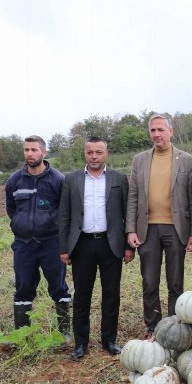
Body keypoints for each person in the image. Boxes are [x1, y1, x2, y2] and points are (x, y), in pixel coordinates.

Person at [59, 137, 133, 361]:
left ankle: (109, 340)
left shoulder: (118, 179)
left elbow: (127, 214)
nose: (94, 157)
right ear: (85, 154)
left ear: (106, 154)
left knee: (111, 295)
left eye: (98, 152)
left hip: (111, 244)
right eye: (90, 152)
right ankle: (81, 343)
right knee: (82, 296)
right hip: (82, 244)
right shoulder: (71, 180)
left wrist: (130, 247)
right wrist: (64, 248)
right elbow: (63, 215)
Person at [126, 115, 192, 337]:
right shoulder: (140, 160)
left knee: (175, 282)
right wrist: (130, 228)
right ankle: (153, 327)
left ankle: (174, 326)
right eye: (153, 130)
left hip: (176, 229)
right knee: (149, 281)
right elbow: (133, 196)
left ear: (171, 131)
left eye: (160, 130)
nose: (156, 134)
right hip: (146, 229)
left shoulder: (187, 160)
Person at [5, 135, 71, 340]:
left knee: (58, 287)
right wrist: (20, 223)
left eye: (34, 150)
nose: (30, 154)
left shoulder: (58, 180)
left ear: (44, 152)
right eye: (26, 150)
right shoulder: (15, 180)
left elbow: (65, 211)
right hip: (24, 244)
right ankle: (23, 334)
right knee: (23, 287)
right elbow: (11, 209)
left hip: (51, 243)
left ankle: (64, 332)